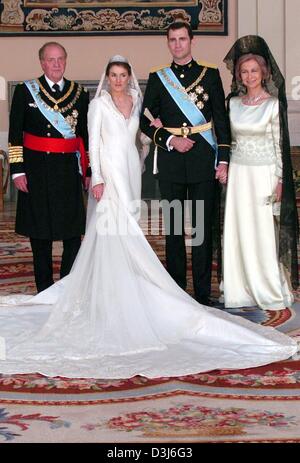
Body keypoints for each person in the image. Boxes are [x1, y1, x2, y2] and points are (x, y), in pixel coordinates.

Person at [0, 55, 297, 380]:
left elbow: (141, 137)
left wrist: (144, 154)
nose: (117, 79)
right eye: (112, 74)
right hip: (109, 172)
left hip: (130, 170)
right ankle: (109, 290)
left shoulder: (136, 99)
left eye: (122, 74)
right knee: (111, 230)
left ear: (129, 77)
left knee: (128, 227)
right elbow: (92, 144)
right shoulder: (97, 104)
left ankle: (127, 280)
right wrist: (96, 176)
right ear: (107, 77)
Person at [140, 21, 231, 306]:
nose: (177, 44)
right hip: (171, 162)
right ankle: (178, 292)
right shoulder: (158, 77)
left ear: (192, 41)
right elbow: (144, 121)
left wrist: (224, 159)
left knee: (203, 230)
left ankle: (203, 294)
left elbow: (222, 121)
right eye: (172, 40)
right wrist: (169, 140)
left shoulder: (210, 74)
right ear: (168, 43)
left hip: (203, 159)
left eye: (182, 39)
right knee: (175, 230)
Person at [222, 35, 299, 310]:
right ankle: (238, 288)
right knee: (239, 230)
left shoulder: (273, 104)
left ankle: (267, 286)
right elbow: (225, 139)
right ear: (239, 75)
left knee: (263, 232)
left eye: (254, 70)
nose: (249, 75)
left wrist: (279, 181)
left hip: (264, 176)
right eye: (244, 71)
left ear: (264, 72)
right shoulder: (231, 103)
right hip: (239, 176)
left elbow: (280, 147)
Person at [8, 42, 90, 293]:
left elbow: (84, 137)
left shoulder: (79, 93)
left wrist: (88, 170)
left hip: (67, 171)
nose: (56, 64)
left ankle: (65, 284)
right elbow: (15, 135)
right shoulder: (25, 91)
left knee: (72, 233)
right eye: (51, 59)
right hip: (36, 171)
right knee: (40, 233)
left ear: (66, 61)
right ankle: (44, 288)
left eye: (60, 59)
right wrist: (17, 170)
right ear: (42, 62)